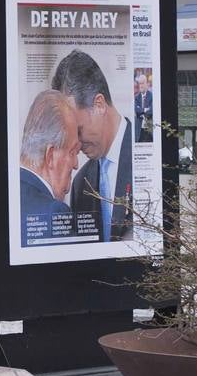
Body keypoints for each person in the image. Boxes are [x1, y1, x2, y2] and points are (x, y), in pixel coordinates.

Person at [53, 50, 134, 243]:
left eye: (78, 131)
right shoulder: (81, 183)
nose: (76, 144)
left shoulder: (148, 153)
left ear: (99, 105)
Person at [19, 90, 89, 246]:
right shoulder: (54, 213)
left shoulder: (7, 197)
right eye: (73, 152)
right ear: (50, 156)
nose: (76, 164)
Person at [134, 72, 154, 144]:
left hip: (149, 130)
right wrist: (145, 110)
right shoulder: (136, 98)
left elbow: (151, 111)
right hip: (139, 131)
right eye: (140, 84)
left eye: (142, 83)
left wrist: (141, 111)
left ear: (147, 84)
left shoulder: (152, 96)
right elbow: (137, 110)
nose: (141, 86)